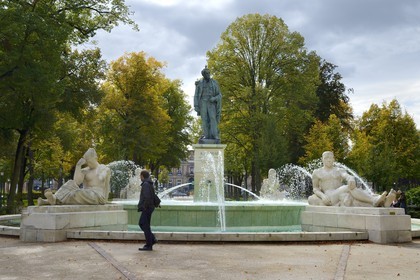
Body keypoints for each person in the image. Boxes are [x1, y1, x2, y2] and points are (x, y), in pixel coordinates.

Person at [308, 151, 393, 207]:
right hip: (329, 196)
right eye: (326, 158)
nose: (328, 160)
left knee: (353, 194)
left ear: (334, 159)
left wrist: (351, 179)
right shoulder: (317, 172)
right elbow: (315, 189)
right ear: (322, 159)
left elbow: (346, 175)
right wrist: (323, 196)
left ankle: (382, 203)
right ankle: (374, 199)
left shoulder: (339, 170)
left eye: (330, 158)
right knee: (348, 187)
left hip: (341, 193)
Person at [38, 148, 111, 205]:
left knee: (76, 193)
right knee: (70, 183)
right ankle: (53, 198)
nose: (88, 163)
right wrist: (78, 166)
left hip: (97, 195)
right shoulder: (85, 170)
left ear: (95, 158)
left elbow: (103, 180)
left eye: (89, 161)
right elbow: (76, 182)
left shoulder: (104, 168)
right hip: (86, 193)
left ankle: (50, 201)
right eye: (87, 161)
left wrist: (102, 173)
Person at [194, 66, 222, 144]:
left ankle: (214, 135)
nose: (208, 74)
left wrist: (214, 98)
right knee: (204, 119)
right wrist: (196, 105)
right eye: (206, 73)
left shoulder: (215, 83)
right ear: (203, 75)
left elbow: (219, 95)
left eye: (209, 73)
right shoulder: (199, 83)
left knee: (213, 118)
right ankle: (206, 135)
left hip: (211, 103)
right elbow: (196, 95)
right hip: (203, 103)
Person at [137, 170, 157, 251]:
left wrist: (144, 207)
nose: (139, 177)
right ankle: (151, 240)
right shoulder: (149, 183)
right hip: (150, 207)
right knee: (145, 225)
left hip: (147, 207)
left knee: (143, 224)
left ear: (142, 176)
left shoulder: (145, 184)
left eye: (140, 176)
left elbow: (147, 197)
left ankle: (149, 245)